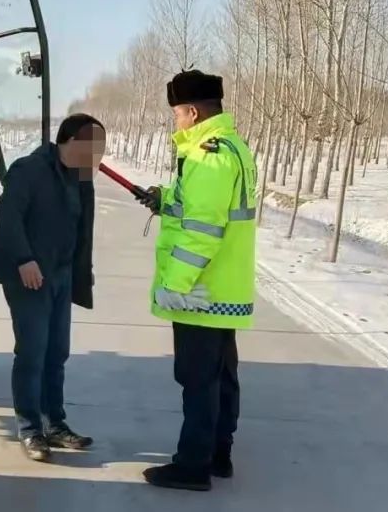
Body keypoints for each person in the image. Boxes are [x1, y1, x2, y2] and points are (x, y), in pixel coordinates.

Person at [135, 70, 258, 492]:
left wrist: (178, 284)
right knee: (221, 376)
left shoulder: (207, 155)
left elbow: (203, 228)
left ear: (191, 111)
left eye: (176, 114)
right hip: (224, 289)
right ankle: (218, 454)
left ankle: (192, 466)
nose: (175, 121)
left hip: (201, 291)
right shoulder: (232, 148)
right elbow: (202, 205)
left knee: (197, 379)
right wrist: (164, 198)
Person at [0, 113, 105, 462]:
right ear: (71, 143)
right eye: (93, 149)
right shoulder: (30, 170)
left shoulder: (81, 179)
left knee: (57, 352)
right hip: (29, 275)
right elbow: (7, 216)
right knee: (33, 353)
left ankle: (56, 424)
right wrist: (24, 259)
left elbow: (83, 229)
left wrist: (82, 271)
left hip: (61, 276)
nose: (98, 158)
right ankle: (30, 429)